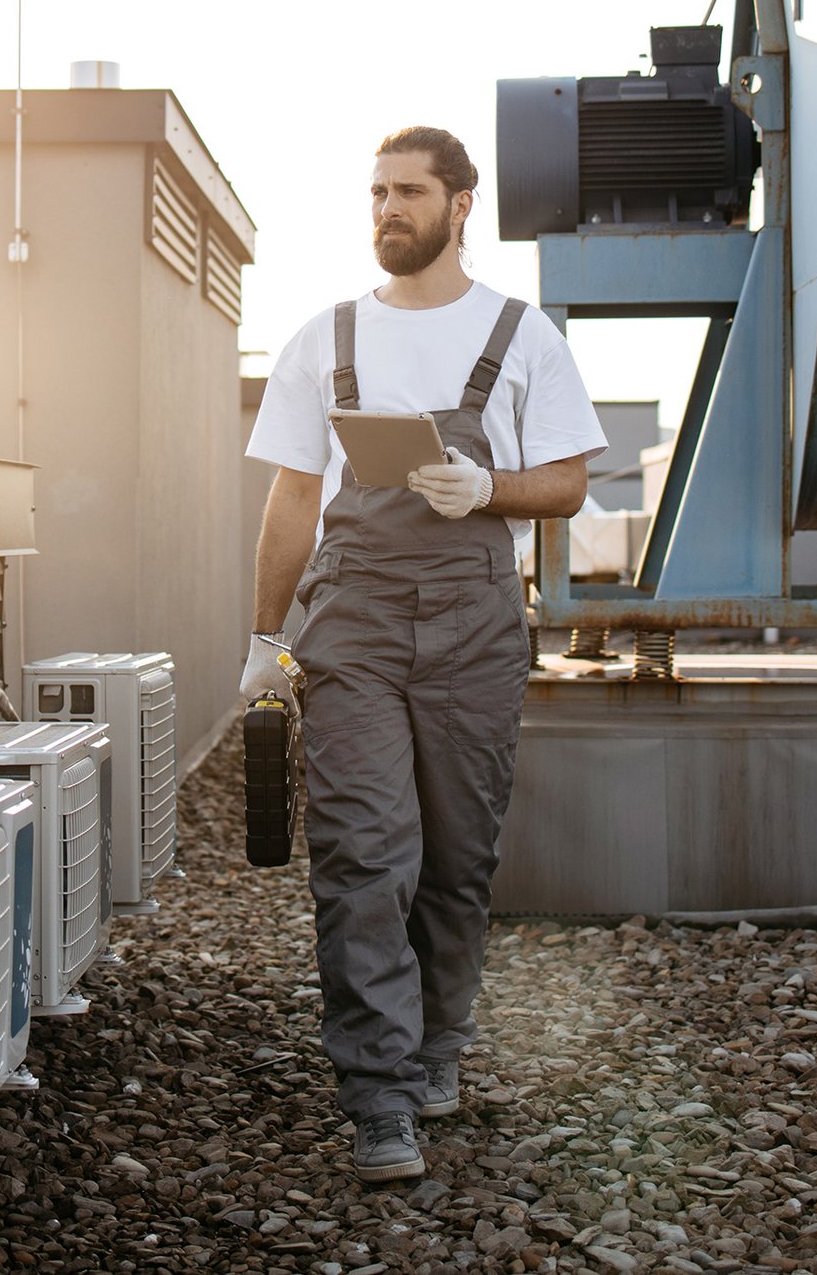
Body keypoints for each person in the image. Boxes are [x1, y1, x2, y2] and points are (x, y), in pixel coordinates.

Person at [239, 126, 607, 1183]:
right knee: (362, 859)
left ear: (459, 207)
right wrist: (266, 641)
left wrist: (485, 487)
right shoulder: (328, 335)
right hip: (350, 621)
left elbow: (569, 485)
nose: (385, 210)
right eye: (374, 194)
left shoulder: (520, 334)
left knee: (455, 860)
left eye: (406, 192)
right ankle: (378, 1095)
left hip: (472, 621)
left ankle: (439, 1043)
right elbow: (292, 497)